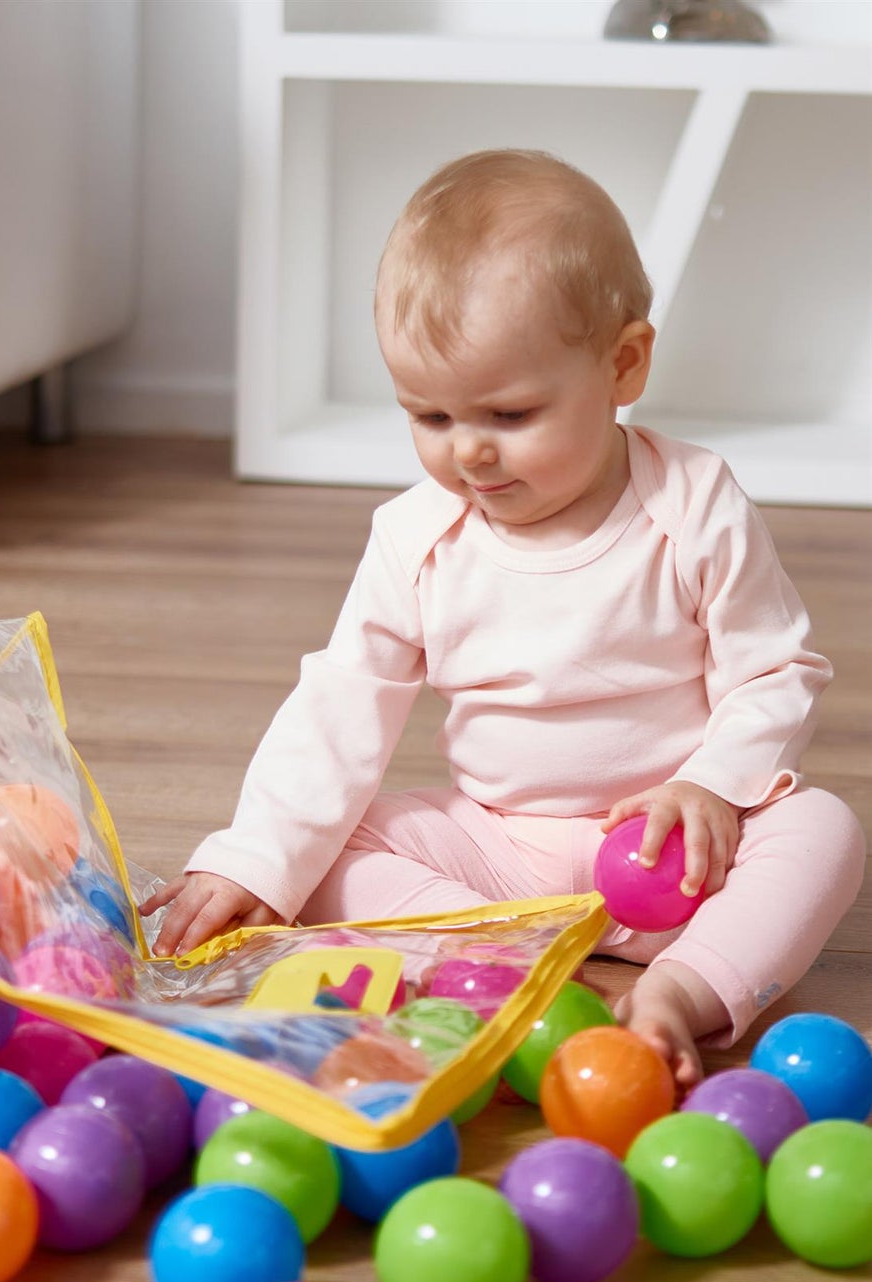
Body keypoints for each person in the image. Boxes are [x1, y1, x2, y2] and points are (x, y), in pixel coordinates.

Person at [142, 149, 865, 1087]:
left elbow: (774, 670)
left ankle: (681, 990)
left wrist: (715, 788)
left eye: (509, 412)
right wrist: (253, 861)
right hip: (498, 850)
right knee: (324, 857)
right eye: (429, 416)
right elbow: (340, 704)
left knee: (823, 829)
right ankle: (513, 969)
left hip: (672, 856)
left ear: (622, 364)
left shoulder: (691, 501)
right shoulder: (415, 537)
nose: (469, 451)